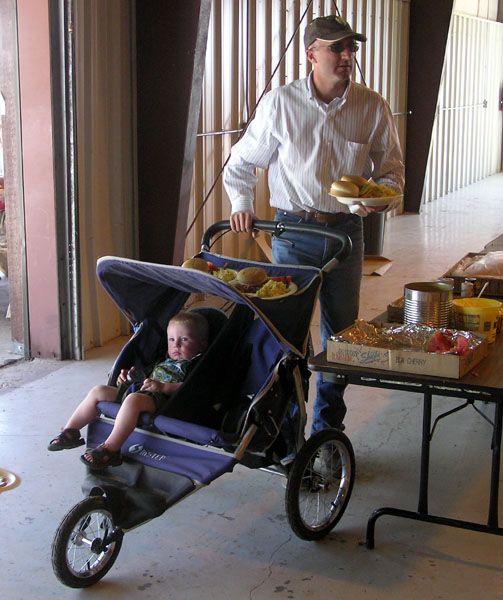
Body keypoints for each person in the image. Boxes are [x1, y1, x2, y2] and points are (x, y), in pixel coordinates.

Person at [223, 15, 404, 445]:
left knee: (341, 335)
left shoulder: (371, 106)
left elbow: (392, 171)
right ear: (311, 55)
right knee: (289, 337)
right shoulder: (282, 103)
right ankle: (287, 434)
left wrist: (379, 195)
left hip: (345, 233)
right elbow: (243, 161)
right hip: (293, 232)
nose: (346, 56)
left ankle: (327, 432)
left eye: (351, 48)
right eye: (336, 48)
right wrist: (243, 205)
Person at [47, 310, 209, 469]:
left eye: (184, 339)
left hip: (164, 400)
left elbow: (194, 388)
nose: (176, 345)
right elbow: (144, 376)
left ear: (202, 344)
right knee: (99, 391)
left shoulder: (197, 363)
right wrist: (126, 379)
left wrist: (164, 387)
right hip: (141, 391)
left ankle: (110, 449)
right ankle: (71, 431)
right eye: (172, 339)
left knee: (133, 400)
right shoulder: (163, 360)